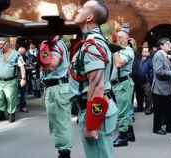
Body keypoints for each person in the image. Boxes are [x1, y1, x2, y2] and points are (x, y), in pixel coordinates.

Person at [70, 1, 118, 157]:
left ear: (89, 17)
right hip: (96, 109)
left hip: (96, 111)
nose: (78, 10)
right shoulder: (92, 41)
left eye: (82, 8)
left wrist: (92, 124)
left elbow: (97, 86)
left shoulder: (92, 44)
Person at [40, 35, 73, 158]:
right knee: (55, 123)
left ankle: (65, 153)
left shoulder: (56, 44)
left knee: (61, 122)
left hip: (58, 87)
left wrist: (43, 51)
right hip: (53, 87)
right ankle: (62, 150)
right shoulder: (51, 43)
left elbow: (52, 64)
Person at [112, 28, 135, 147]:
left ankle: (123, 137)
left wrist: (114, 50)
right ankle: (130, 133)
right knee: (126, 109)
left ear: (124, 40)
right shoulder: (121, 50)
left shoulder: (127, 50)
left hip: (123, 83)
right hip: (118, 84)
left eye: (119, 38)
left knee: (122, 111)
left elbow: (119, 63)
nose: (117, 40)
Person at [152, 38, 171, 135]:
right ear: (161, 46)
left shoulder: (167, 55)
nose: (169, 45)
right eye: (167, 44)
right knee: (159, 109)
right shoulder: (159, 55)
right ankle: (157, 128)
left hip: (168, 87)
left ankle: (170, 127)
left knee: (170, 108)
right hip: (160, 88)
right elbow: (158, 71)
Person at [0, 37, 26, 122]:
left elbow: (21, 66)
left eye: (1, 44)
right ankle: (1, 114)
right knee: (0, 98)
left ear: (6, 43)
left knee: (10, 98)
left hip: (10, 81)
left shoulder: (16, 54)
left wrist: (23, 78)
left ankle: (11, 113)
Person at [133, 42, 153, 115]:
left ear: (148, 53)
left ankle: (148, 108)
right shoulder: (138, 59)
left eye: (146, 51)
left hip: (146, 81)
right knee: (139, 95)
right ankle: (140, 107)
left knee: (148, 95)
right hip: (137, 80)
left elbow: (152, 70)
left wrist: (150, 79)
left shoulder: (150, 60)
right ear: (141, 52)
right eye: (144, 51)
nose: (145, 52)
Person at [17, 46, 28, 113]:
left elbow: (23, 66)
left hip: (19, 77)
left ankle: (22, 106)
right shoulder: (19, 56)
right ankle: (22, 106)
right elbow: (23, 67)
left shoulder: (20, 57)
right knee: (22, 93)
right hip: (17, 77)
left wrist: (23, 78)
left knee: (22, 93)